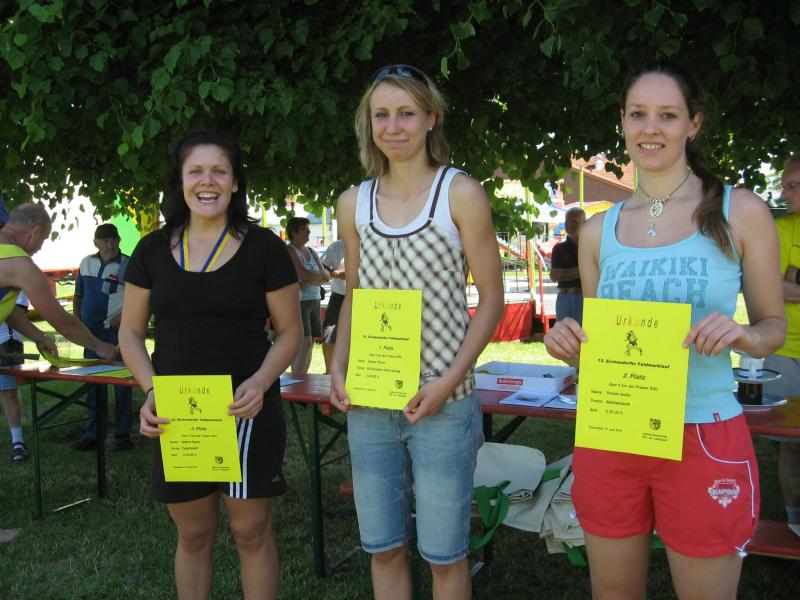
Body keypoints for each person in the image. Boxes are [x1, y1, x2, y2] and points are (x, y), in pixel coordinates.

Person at [544, 64, 785, 599]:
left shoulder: (740, 210)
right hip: (614, 431)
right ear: (623, 122)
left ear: (693, 123)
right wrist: (569, 344)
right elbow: (600, 347)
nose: (650, 128)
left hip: (703, 431)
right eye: (638, 114)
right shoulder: (598, 230)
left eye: (668, 115)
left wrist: (742, 335)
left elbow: (773, 328)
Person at [329, 64, 504, 600]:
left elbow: (492, 300)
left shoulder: (460, 193)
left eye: (406, 113)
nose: (393, 126)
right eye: (381, 114)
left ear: (431, 118)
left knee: (445, 556)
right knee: (383, 548)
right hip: (372, 399)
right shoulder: (353, 202)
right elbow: (355, 294)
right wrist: (338, 366)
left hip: (442, 401)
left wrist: (448, 383)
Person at [119, 130, 302, 599]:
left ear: (235, 182)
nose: (207, 181)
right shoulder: (151, 249)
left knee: (250, 532)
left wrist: (261, 382)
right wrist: (151, 391)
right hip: (177, 414)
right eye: (195, 171)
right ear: (179, 181)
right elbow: (130, 333)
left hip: (246, 409)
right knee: (193, 534)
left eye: (219, 171)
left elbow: (290, 331)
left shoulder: (264, 247)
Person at [0, 201, 117, 543]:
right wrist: (101, 347)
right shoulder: (20, 264)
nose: (40, 248)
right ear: (34, 231)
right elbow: (64, 322)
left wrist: (37, 336)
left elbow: (9, 310)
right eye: (43, 240)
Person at [763, 155, 800, 535]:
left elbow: (789, 285)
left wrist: (794, 281)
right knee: (789, 442)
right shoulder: (781, 229)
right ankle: (793, 522)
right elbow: (772, 286)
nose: (783, 193)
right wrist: (786, 282)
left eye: (792, 186)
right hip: (785, 350)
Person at [73, 223, 133, 451]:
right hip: (91, 335)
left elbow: (141, 299)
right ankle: (93, 435)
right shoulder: (86, 263)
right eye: (105, 240)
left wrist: (125, 318)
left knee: (122, 385)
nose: (110, 244)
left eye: (114, 240)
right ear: (95, 243)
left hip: (117, 334)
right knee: (93, 386)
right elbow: (78, 295)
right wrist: (78, 321)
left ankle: (123, 434)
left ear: (119, 241)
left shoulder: (128, 264)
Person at [285, 216, 329, 373]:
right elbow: (304, 273)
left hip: (314, 299)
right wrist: (316, 277)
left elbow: (326, 275)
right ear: (295, 232)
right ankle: (297, 378)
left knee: (310, 343)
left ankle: (303, 378)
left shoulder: (311, 251)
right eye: (306, 230)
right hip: (300, 302)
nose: (309, 233)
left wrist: (309, 280)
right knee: (304, 342)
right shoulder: (290, 250)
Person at [1, 292, 31, 462]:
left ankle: (17, 442)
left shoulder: (15, 282)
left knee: (8, 391)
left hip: (7, 341)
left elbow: (17, 314)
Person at [550, 207, 587, 324]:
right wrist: (584, 270)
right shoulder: (558, 248)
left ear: (584, 223)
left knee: (587, 332)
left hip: (586, 297)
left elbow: (598, 271)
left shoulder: (592, 246)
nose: (570, 225)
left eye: (574, 222)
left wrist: (565, 273)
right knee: (564, 332)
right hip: (565, 298)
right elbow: (554, 276)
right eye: (567, 222)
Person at [321, 238, 345, 373]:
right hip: (338, 296)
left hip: (362, 296)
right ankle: (329, 372)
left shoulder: (366, 242)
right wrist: (333, 272)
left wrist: (341, 273)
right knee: (329, 334)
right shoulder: (336, 246)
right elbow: (322, 265)